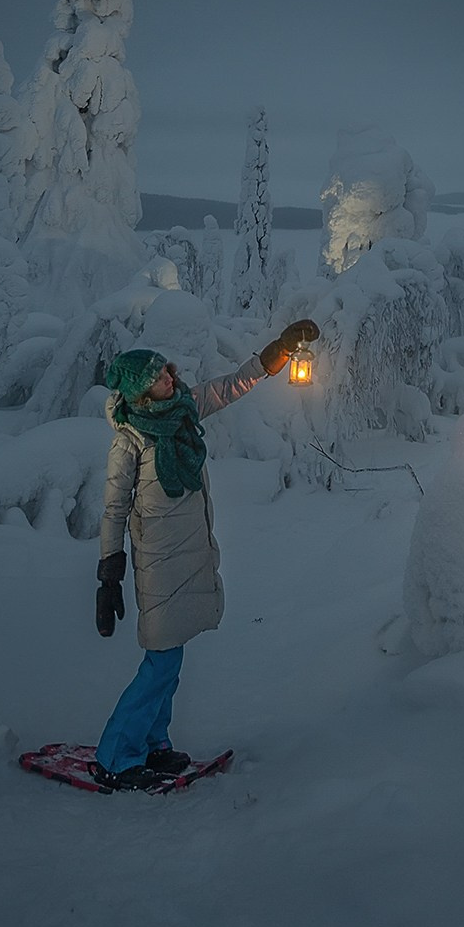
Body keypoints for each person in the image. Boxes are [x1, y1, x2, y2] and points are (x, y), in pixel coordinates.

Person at [92, 318, 320, 790]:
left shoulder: (183, 409)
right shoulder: (129, 439)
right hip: (156, 556)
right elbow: (114, 508)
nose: (169, 379)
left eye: (166, 372)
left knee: (171, 657)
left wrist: (277, 351)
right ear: (138, 392)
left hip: (190, 550)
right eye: (157, 378)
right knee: (161, 659)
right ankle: (117, 753)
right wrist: (109, 573)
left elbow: (233, 385)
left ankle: (154, 744)